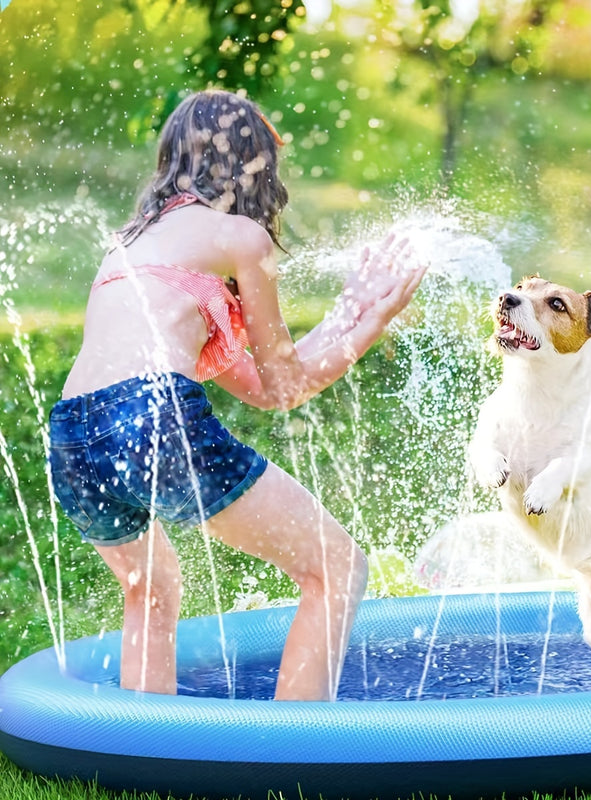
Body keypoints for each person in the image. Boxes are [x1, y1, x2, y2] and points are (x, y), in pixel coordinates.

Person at [47, 89, 426, 700]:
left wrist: (350, 312)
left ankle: (148, 754)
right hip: (153, 414)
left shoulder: (132, 245)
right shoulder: (240, 238)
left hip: (72, 435)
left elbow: (261, 381)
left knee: (153, 586)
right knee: (335, 568)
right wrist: (373, 322)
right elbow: (287, 387)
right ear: (253, 167)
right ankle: (296, 758)